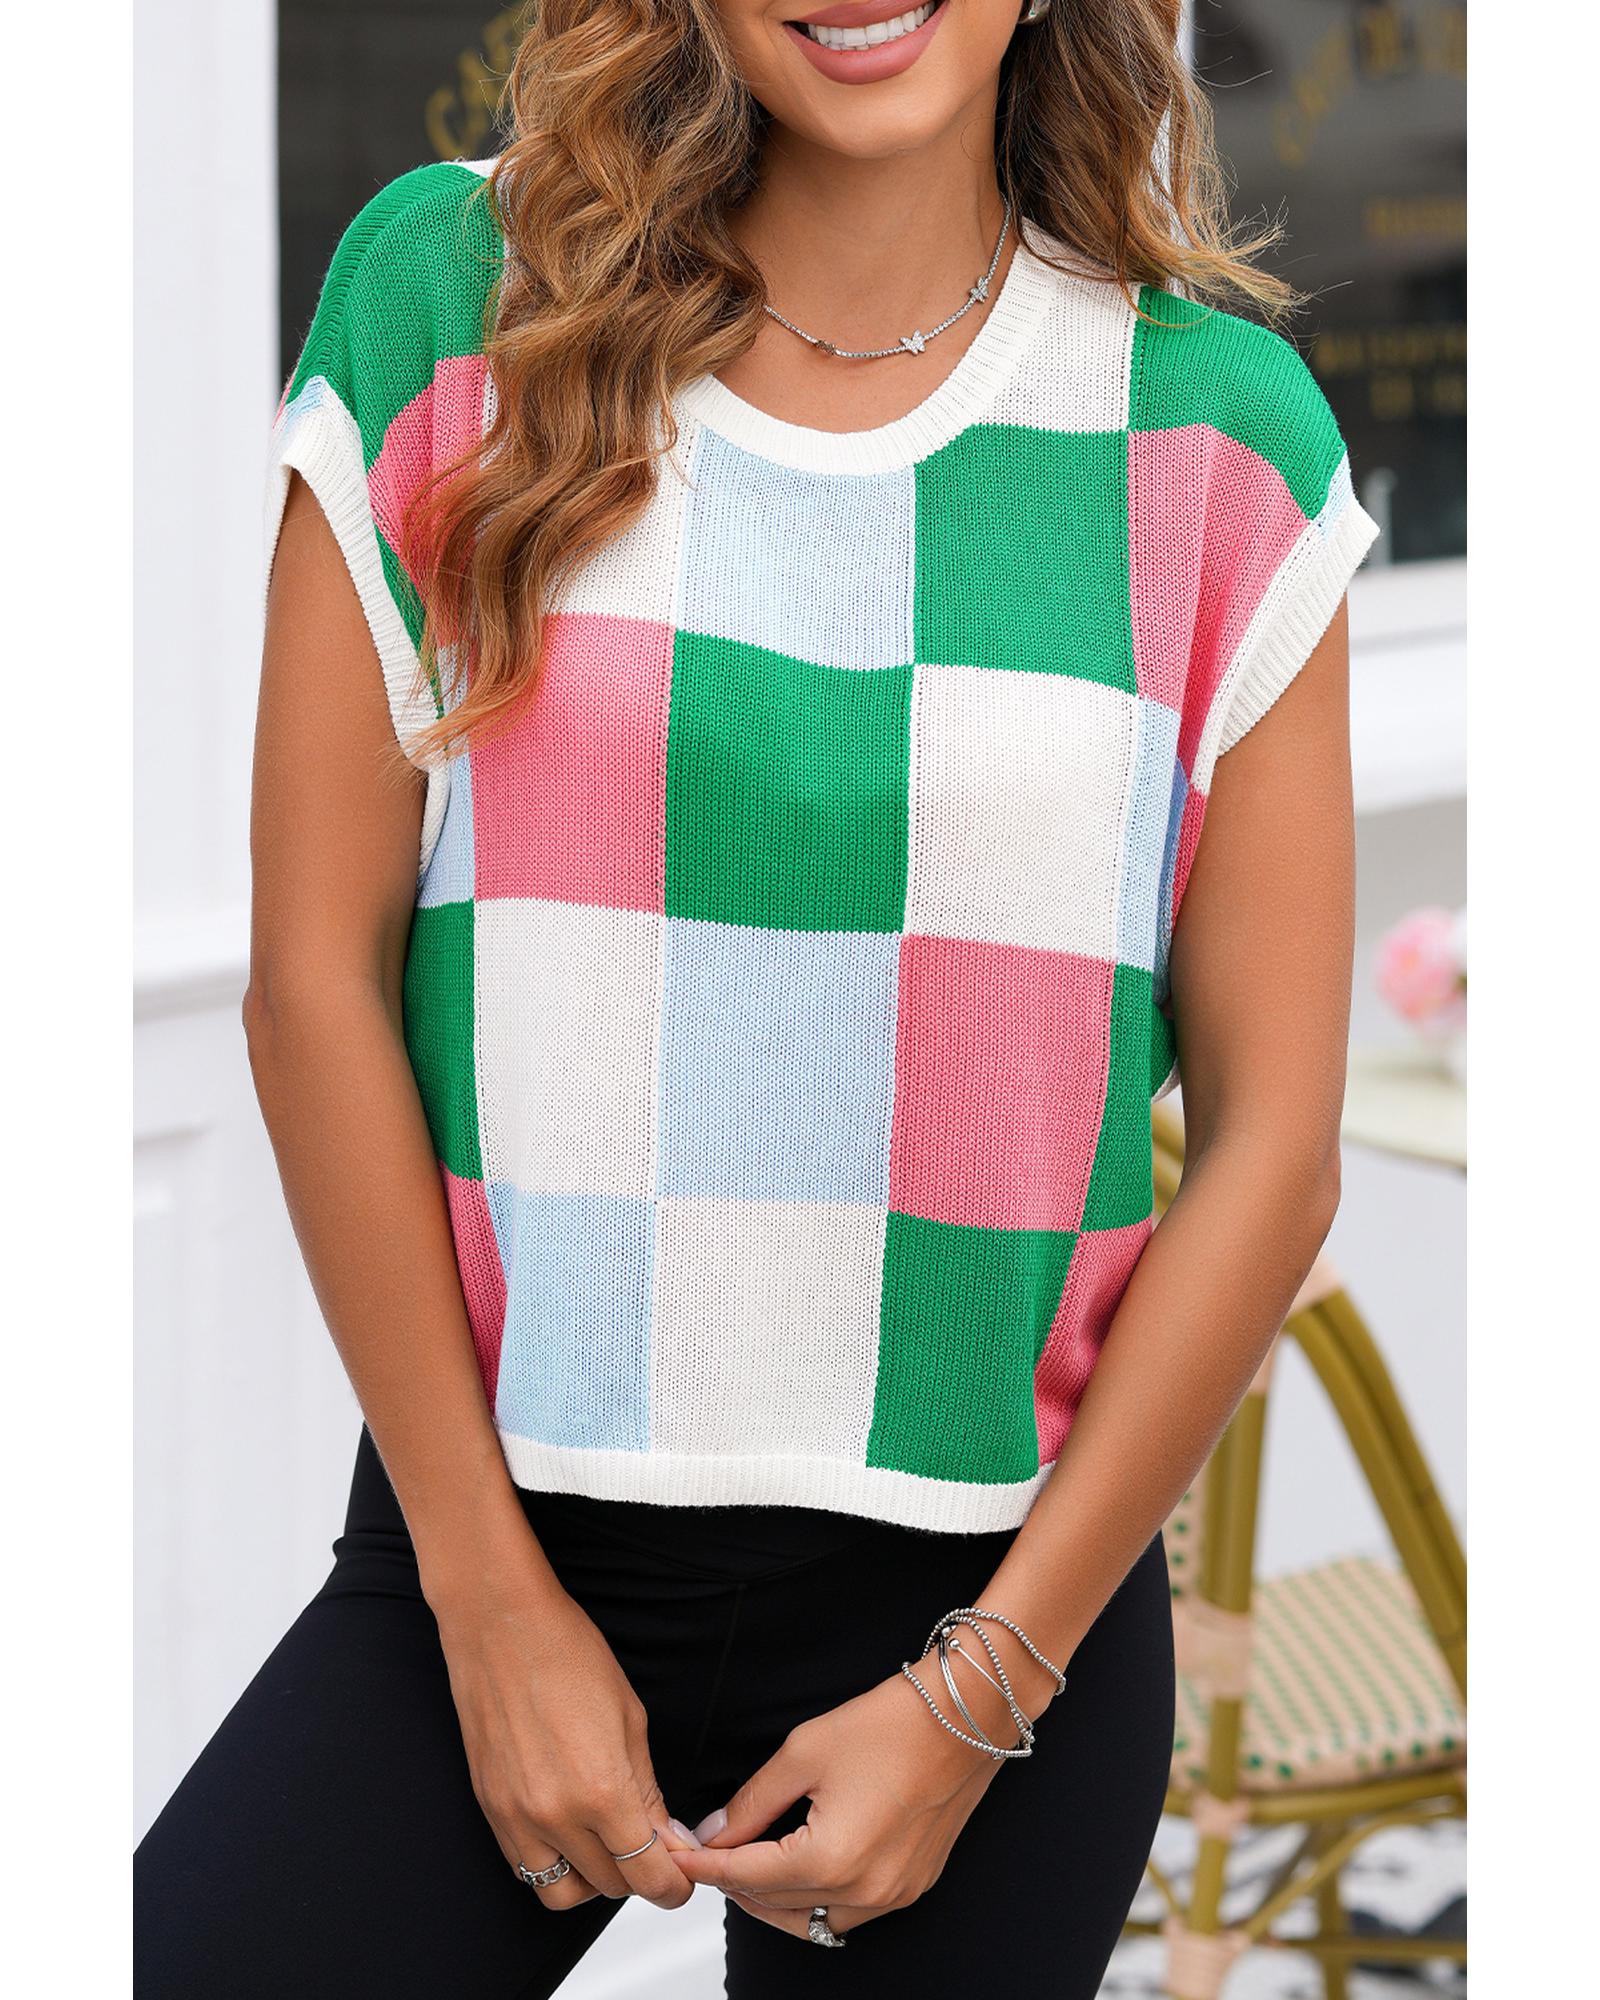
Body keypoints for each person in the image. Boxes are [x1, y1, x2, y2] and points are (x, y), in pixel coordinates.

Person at [135, 1, 1377, 1992]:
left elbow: (1273, 1149)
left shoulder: (1221, 439)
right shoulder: (452, 303)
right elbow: (313, 987)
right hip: (497, 1535)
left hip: (994, 1607)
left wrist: (982, 1688)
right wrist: (487, 1605)